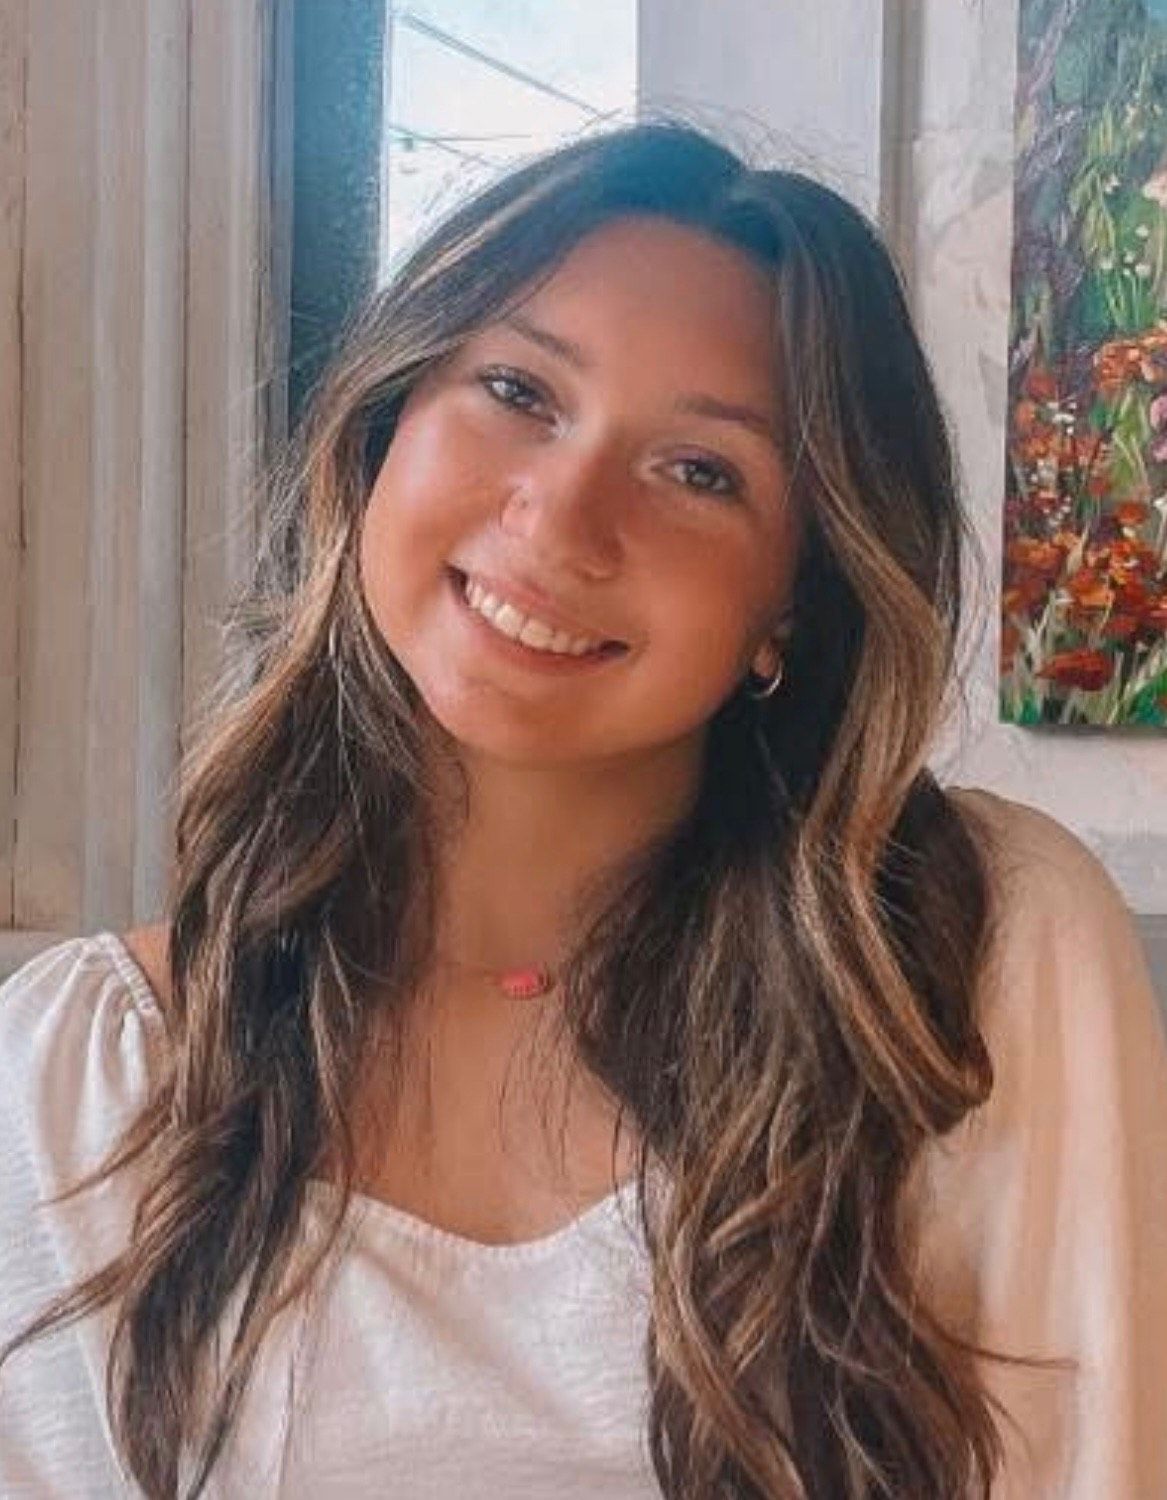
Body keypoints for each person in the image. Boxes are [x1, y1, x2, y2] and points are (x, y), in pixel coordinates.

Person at [0, 120, 1164, 1500]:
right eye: (517, 390)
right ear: (383, 428)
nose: (562, 516)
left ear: (788, 603)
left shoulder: (962, 961)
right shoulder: (86, 1078)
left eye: (700, 473)